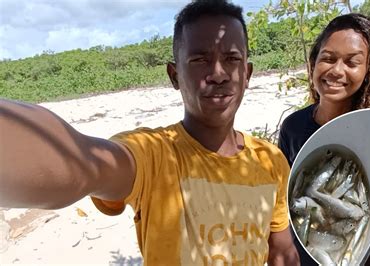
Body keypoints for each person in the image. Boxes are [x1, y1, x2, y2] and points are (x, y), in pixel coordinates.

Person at [0, 1, 299, 265]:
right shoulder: (153, 154)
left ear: (246, 74)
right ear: (174, 75)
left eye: (232, 59)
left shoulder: (270, 160)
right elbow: (82, 165)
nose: (218, 73)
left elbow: (282, 253)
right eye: (199, 60)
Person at [278, 13, 370, 265]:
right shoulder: (292, 127)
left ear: (369, 71)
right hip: (308, 253)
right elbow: (283, 200)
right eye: (327, 58)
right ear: (313, 62)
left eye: (352, 62)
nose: (337, 70)